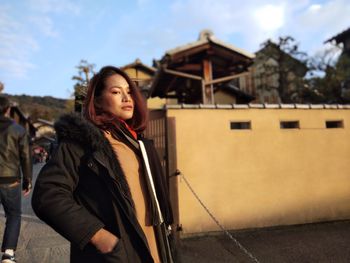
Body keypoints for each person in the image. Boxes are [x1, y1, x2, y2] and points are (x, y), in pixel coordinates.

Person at [32, 66, 173, 263]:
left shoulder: (136, 142)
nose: (126, 97)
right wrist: (99, 236)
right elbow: (48, 195)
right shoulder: (80, 142)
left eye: (129, 91)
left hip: (153, 243)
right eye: (116, 92)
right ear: (97, 100)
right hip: (116, 254)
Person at [0, 96, 32, 263]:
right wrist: (28, 179)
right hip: (10, 179)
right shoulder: (18, 129)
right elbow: (26, 156)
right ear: (8, 110)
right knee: (13, 215)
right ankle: (8, 254)